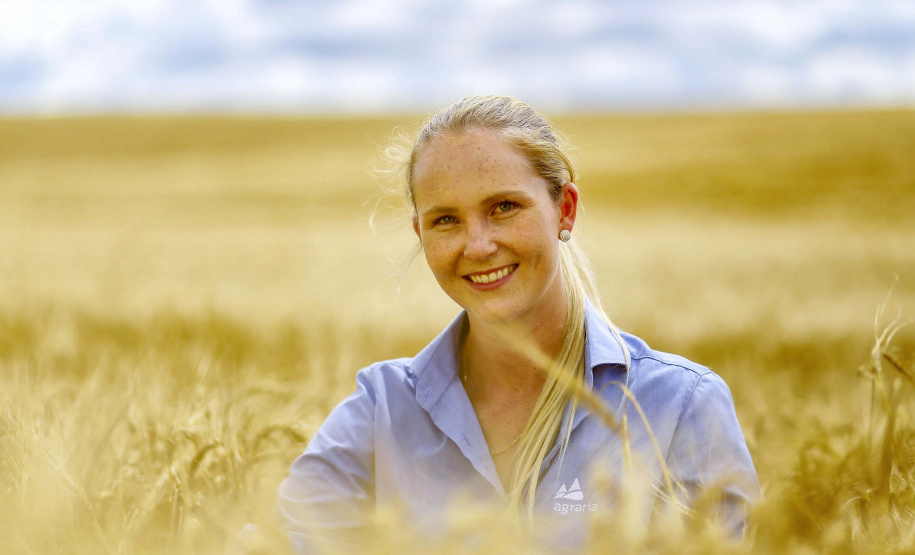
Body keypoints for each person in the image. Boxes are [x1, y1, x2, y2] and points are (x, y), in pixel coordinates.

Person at [273, 95, 760, 552]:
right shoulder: (381, 410)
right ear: (421, 234)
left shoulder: (679, 407)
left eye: (503, 207)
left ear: (564, 209)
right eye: (446, 220)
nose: (477, 245)